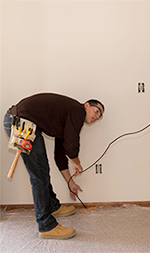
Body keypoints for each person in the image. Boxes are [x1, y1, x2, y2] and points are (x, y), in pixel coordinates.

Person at [3, 93, 105, 240]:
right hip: (20, 122)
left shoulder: (67, 117)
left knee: (42, 170)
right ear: (87, 105)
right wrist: (77, 162)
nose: (97, 116)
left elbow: (60, 155)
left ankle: (52, 206)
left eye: (100, 116)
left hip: (26, 123)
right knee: (38, 175)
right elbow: (71, 145)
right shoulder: (77, 110)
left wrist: (70, 182)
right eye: (96, 110)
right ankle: (46, 226)